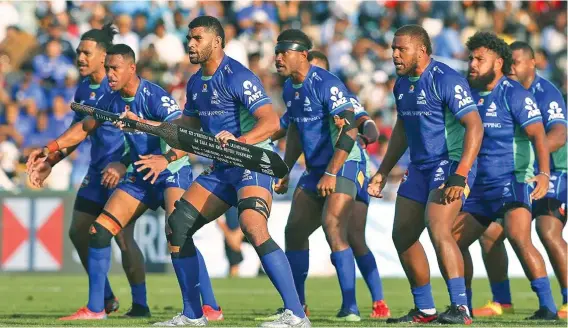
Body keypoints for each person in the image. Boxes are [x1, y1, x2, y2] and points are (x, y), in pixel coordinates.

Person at [140, 17, 309, 327]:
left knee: (252, 224)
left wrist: (239, 141)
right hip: (221, 169)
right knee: (177, 226)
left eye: (197, 38)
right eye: (189, 38)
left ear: (215, 42)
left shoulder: (238, 76)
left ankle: (296, 315)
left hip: (252, 161)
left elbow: (271, 123)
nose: (190, 44)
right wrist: (152, 131)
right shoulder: (194, 83)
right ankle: (193, 315)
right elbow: (187, 129)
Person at [37, 44, 221, 321]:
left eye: (115, 68)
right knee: (98, 231)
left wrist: (157, 144)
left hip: (171, 171)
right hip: (141, 177)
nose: (109, 74)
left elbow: (181, 133)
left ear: (131, 68)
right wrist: (49, 148)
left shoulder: (155, 96)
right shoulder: (111, 99)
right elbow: (85, 127)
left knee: (179, 235)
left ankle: (209, 308)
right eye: (108, 68)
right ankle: (97, 309)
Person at [26, 25, 148, 318]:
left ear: (104, 55)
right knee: (78, 231)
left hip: (123, 171)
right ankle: (104, 298)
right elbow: (78, 132)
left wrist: (125, 164)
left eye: (85, 53)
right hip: (96, 170)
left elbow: (143, 133)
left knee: (121, 236)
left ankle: (140, 304)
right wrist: (50, 161)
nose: (79, 57)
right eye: (79, 52)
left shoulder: (120, 84)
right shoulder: (83, 89)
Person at [367, 25, 483, 324]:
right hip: (419, 167)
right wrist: (382, 170)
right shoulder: (401, 84)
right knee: (403, 235)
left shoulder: (445, 78)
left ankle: (461, 307)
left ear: (421, 50)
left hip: (449, 162)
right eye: (393, 48)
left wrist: (461, 174)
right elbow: (403, 128)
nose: (394, 54)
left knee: (438, 226)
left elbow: (474, 125)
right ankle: (426, 308)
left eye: (400, 49)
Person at [265, 49, 389, 320]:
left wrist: (361, 136)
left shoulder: (339, 94)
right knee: (296, 231)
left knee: (349, 235)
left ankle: (371, 302)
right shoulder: (297, 93)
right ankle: (298, 306)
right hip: (316, 168)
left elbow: (369, 128)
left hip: (350, 166)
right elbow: (288, 128)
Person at [471, 40, 567, 319]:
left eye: (517, 62)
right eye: (508, 62)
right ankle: (502, 301)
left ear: (532, 63)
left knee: (548, 233)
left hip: (554, 173)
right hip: (518, 174)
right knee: (489, 236)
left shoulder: (544, 91)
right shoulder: (499, 91)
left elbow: (559, 135)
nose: (511, 68)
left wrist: (537, 161)